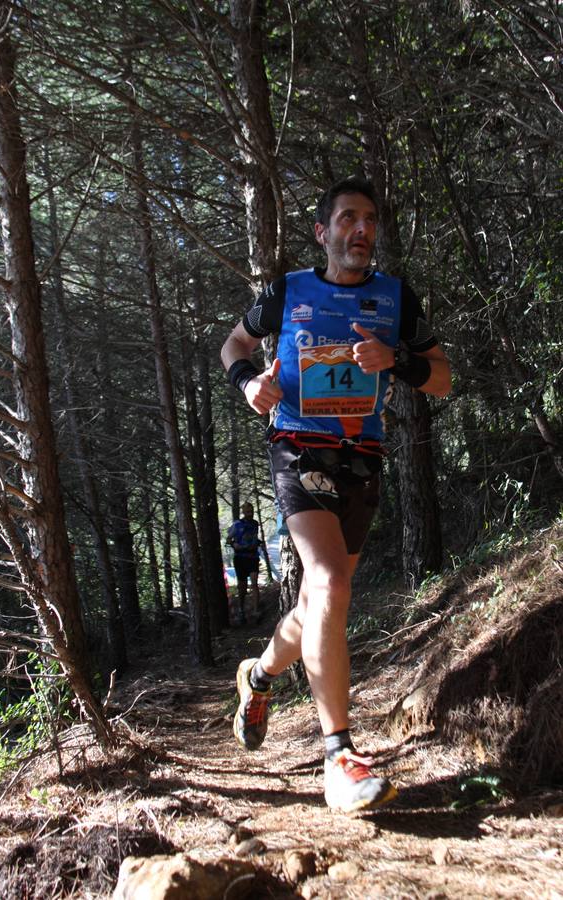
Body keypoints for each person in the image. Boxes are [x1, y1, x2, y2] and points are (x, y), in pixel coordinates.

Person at [221, 175, 451, 814]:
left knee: (319, 598)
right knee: (330, 583)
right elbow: (234, 344)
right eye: (348, 218)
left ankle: (259, 676)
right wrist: (249, 383)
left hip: (362, 458)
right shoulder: (287, 292)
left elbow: (441, 378)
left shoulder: (395, 299)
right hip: (298, 449)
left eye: (370, 220)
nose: (362, 229)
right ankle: (339, 757)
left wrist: (396, 361)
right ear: (323, 232)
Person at [226, 502, 261, 625]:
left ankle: (256, 611)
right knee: (242, 586)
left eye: (251, 511)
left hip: (253, 557)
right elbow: (228, 539)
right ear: (243, 512)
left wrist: (258, 543)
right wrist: (234, 544)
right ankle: (241, 610)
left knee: (254, 582)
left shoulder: (255, 523)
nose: (250, 514)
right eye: (247, 512)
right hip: (240, 558)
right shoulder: (237, 524)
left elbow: (254, 537)